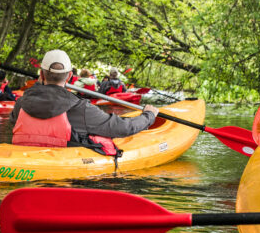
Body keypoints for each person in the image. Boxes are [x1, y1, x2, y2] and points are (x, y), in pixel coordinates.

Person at [9, 50, 159, 155]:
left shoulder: (21, 104)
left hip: (24, 159)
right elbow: (124, 128)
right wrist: (149, 116)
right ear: (69, 77)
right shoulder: (81, 108)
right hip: (65, 174)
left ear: (41, 74)